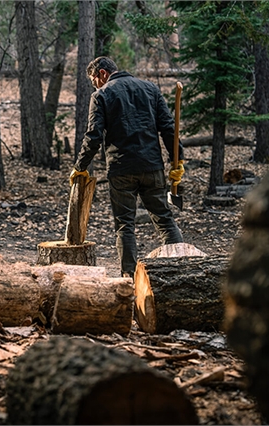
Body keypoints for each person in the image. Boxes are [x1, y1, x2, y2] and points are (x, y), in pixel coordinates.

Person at [70, 56, 185, 278]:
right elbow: (169, 128)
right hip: (152, 166)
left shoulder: (101, 95)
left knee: (124, 225)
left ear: (102, 73)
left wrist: (80, 166)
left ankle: (129, 280)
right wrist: (177, 160)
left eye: (94, 80)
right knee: (164, 220)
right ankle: (179, 272)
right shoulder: (150, 89)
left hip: (121, 169)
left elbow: (93, 135)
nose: (95, 84)